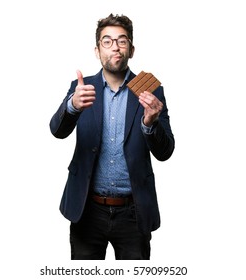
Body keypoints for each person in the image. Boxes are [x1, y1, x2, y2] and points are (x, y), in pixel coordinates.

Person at [49, 13, 175, 260]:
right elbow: (57, 131)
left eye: (122, 41)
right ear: (97, 50)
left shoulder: (151, 90)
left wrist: (151, 124)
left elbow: (166, 151)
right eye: (107, 41)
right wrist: (72, 106)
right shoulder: (82, 88)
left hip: (134, 211)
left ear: (131, 49)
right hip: (87, 208)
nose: (115, 47)